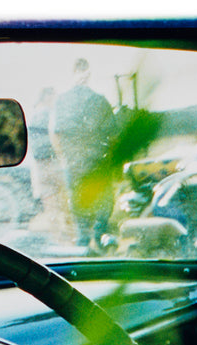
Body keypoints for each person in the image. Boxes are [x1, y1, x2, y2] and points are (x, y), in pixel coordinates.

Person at [49, 58, 117, 250]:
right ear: (88, 73)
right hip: (98, 160)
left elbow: (56, 133)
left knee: (77, 201)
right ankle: (99, 235)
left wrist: (63, 157)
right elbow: (113, 134)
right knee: (103, 200)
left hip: (74, 161)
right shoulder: (100, 100)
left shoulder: (62, 100)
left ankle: (83, 241)